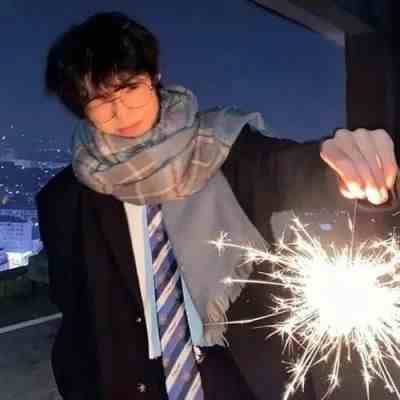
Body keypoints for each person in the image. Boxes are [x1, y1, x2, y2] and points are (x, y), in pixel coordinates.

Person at [39, 11, 398, 400]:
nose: (120, 111)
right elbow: (76, 315)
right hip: (130, 384)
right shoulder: (66, 199)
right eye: (100, 101)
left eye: (129, 88)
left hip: (240, 371)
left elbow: (291, 169)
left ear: (153, 76)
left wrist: (349, 165)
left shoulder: (223, 146)